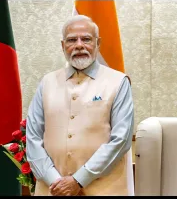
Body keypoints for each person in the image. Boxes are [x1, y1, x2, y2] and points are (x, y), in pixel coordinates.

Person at [26, 15, 134, 196]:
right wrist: (56, 182)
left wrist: (79, 180)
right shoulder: (47, 82)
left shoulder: (118, 82)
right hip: (53, 189)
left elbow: (121, 140)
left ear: (98, 44)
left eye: (86, 39)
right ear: (62, 46)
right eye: (71, 40)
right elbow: (33, 137)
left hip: (104, 188)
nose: (79, 45)